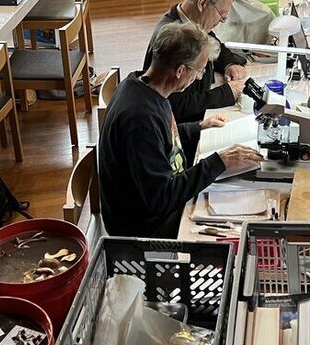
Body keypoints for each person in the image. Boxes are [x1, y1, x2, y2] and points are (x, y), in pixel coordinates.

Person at [100, 23, 262, 238]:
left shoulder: (145, 86)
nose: (199, 77)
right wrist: (219, 162)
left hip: (157, 202)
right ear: (180, 71)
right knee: (243, 227)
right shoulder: (140, 119)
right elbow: (160, 198)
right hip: (144, 227)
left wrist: (197, 127)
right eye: (200, 70)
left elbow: (160, 140)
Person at [143, 0, 248, 125]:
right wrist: (226, 93)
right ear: (202, 3)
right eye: (222, 14)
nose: (221, 21)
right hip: (183, 126)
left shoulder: (191, 21)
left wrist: (229, 64)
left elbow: (213, 43)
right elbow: (176, 106)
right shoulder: (177, 39)